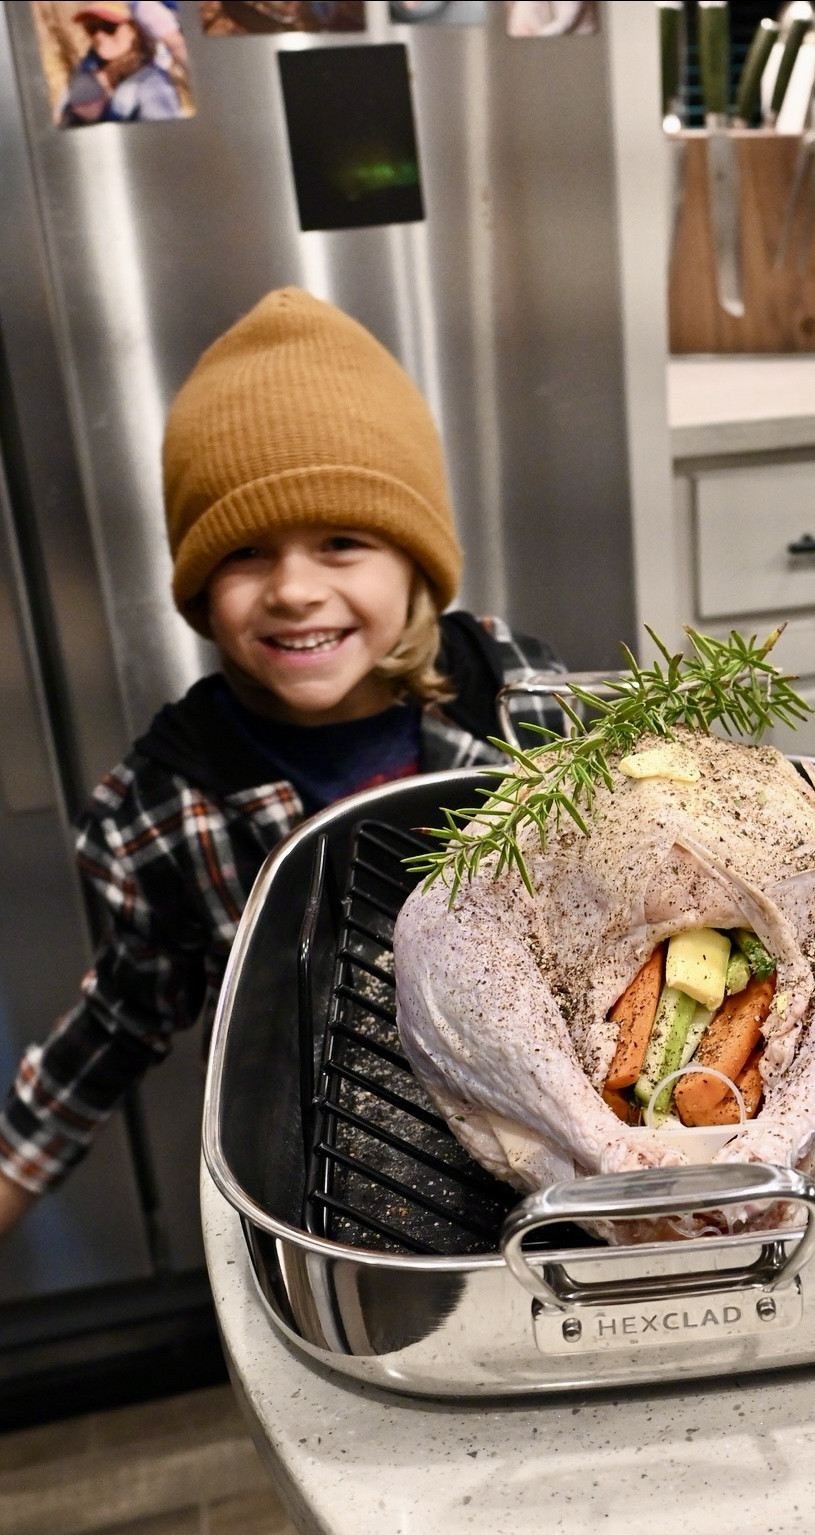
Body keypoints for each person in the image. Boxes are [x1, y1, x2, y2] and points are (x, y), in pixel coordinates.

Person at [0, 287, 562, 1237]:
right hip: (331, 1198)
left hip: (556, 1156)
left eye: (342, 542)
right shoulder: (167, 806)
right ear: (199, 586)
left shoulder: (517, 693)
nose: (296, 590)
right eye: (248, 553)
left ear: (414, 561)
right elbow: (123, 1015)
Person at [58, 1, 183, 127]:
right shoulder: (86, 74)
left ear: (132, 30)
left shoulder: (153, 84)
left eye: (108, 27)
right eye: (92, 28)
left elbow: (164, 141)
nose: (99, 36)